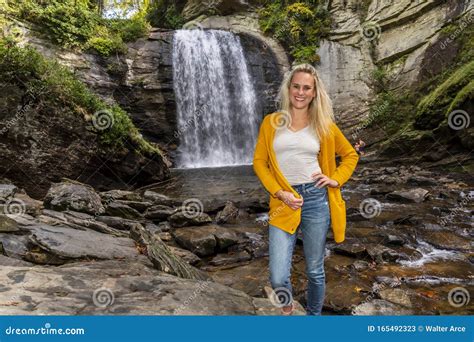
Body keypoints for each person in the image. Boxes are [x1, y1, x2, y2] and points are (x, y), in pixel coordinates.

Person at [252, 63, 359, 315]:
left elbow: (350, 154)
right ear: (289, 88)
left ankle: (313, 319)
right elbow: (259, 162)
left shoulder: (323, 124)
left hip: (314, 198)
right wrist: (279, 192)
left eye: (306, 88)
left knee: (314, 269)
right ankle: (287, 305)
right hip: (282, 201)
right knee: (277, 276)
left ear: (314, 92)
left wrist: (335, 179)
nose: (300, 92)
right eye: (296, 86)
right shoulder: (271, 122)